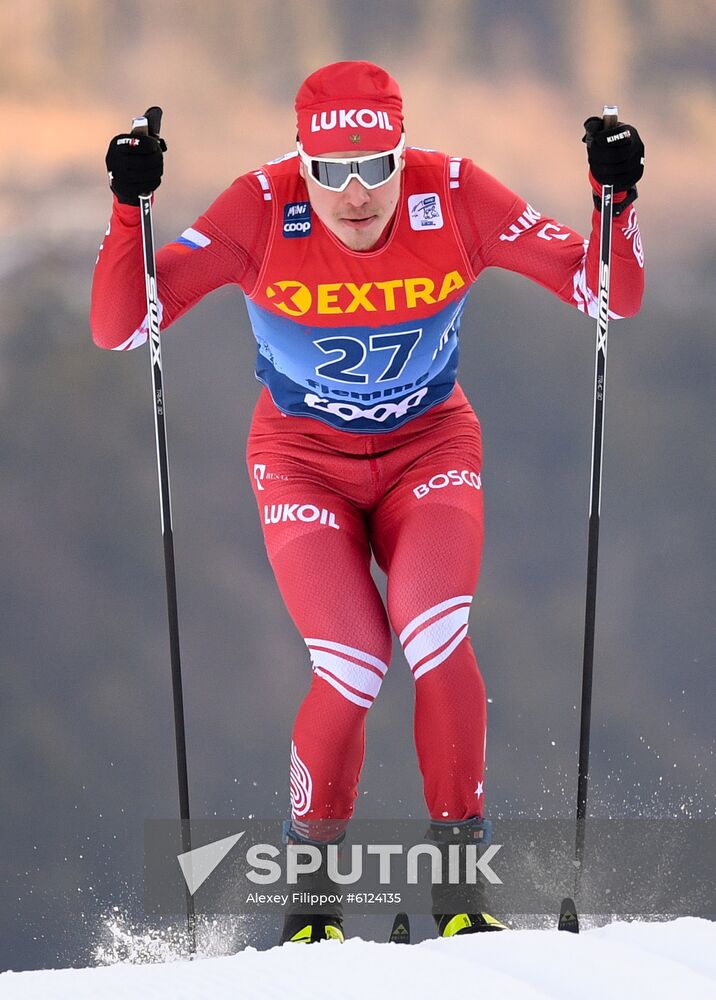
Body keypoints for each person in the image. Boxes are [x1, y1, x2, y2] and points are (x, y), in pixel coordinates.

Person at [91, 61, 645, 943]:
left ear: (402, 153)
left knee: (437, 633)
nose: (355, 193)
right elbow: (121, 325)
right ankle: (312, 903)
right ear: (300, 161)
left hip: (429, 448)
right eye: (331, 168)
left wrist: (613, 201)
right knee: (351, 662)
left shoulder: (456, 193)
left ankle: (459, 892)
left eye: (376, 165)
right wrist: (131, 210)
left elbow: (606, 291)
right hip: (302, 460)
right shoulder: (259, 207)